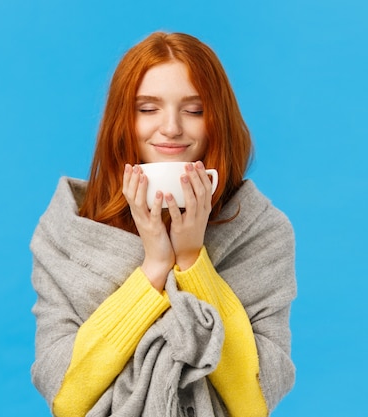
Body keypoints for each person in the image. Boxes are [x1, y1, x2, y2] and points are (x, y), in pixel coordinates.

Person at [30, 32, 297, 417]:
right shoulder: (68, 232)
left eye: (194, 110)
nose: (171, 128)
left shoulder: (263, 232)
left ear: (216, 120)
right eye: (148, 108)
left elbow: (253, 399)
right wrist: (154, 266)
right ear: (122, 119)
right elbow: (67, 397)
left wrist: (191, 260)